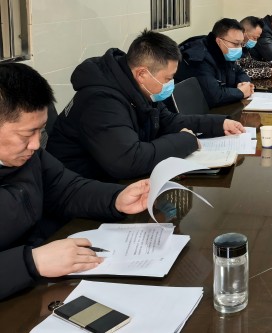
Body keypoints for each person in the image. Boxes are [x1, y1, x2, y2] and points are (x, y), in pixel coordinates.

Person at [0, 63, 151, 300]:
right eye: (27, 134)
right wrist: (31, 262)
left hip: (39, 284)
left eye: (40, 130)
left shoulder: (28, 156)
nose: (36, 144)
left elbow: (66, 189)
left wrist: (116, 199)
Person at [47, 30, 244, 181]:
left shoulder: (137, 87)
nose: (171, 84)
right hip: (82, 192)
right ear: (142, 74)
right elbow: (129, 161)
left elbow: (169, 120)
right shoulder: (101, 102)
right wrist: (186, 141)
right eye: (168, 78)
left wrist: (218, 124)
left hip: (114, 182)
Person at [176, 18, 255, 107]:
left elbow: (240, 72)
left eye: (241, 44)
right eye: (236, 44)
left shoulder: (224, 53)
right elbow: (214, 96)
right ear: (218, 41)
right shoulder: (199, 58)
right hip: (194, 110)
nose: (239, 48)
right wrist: (240, 92)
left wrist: (243, 83)